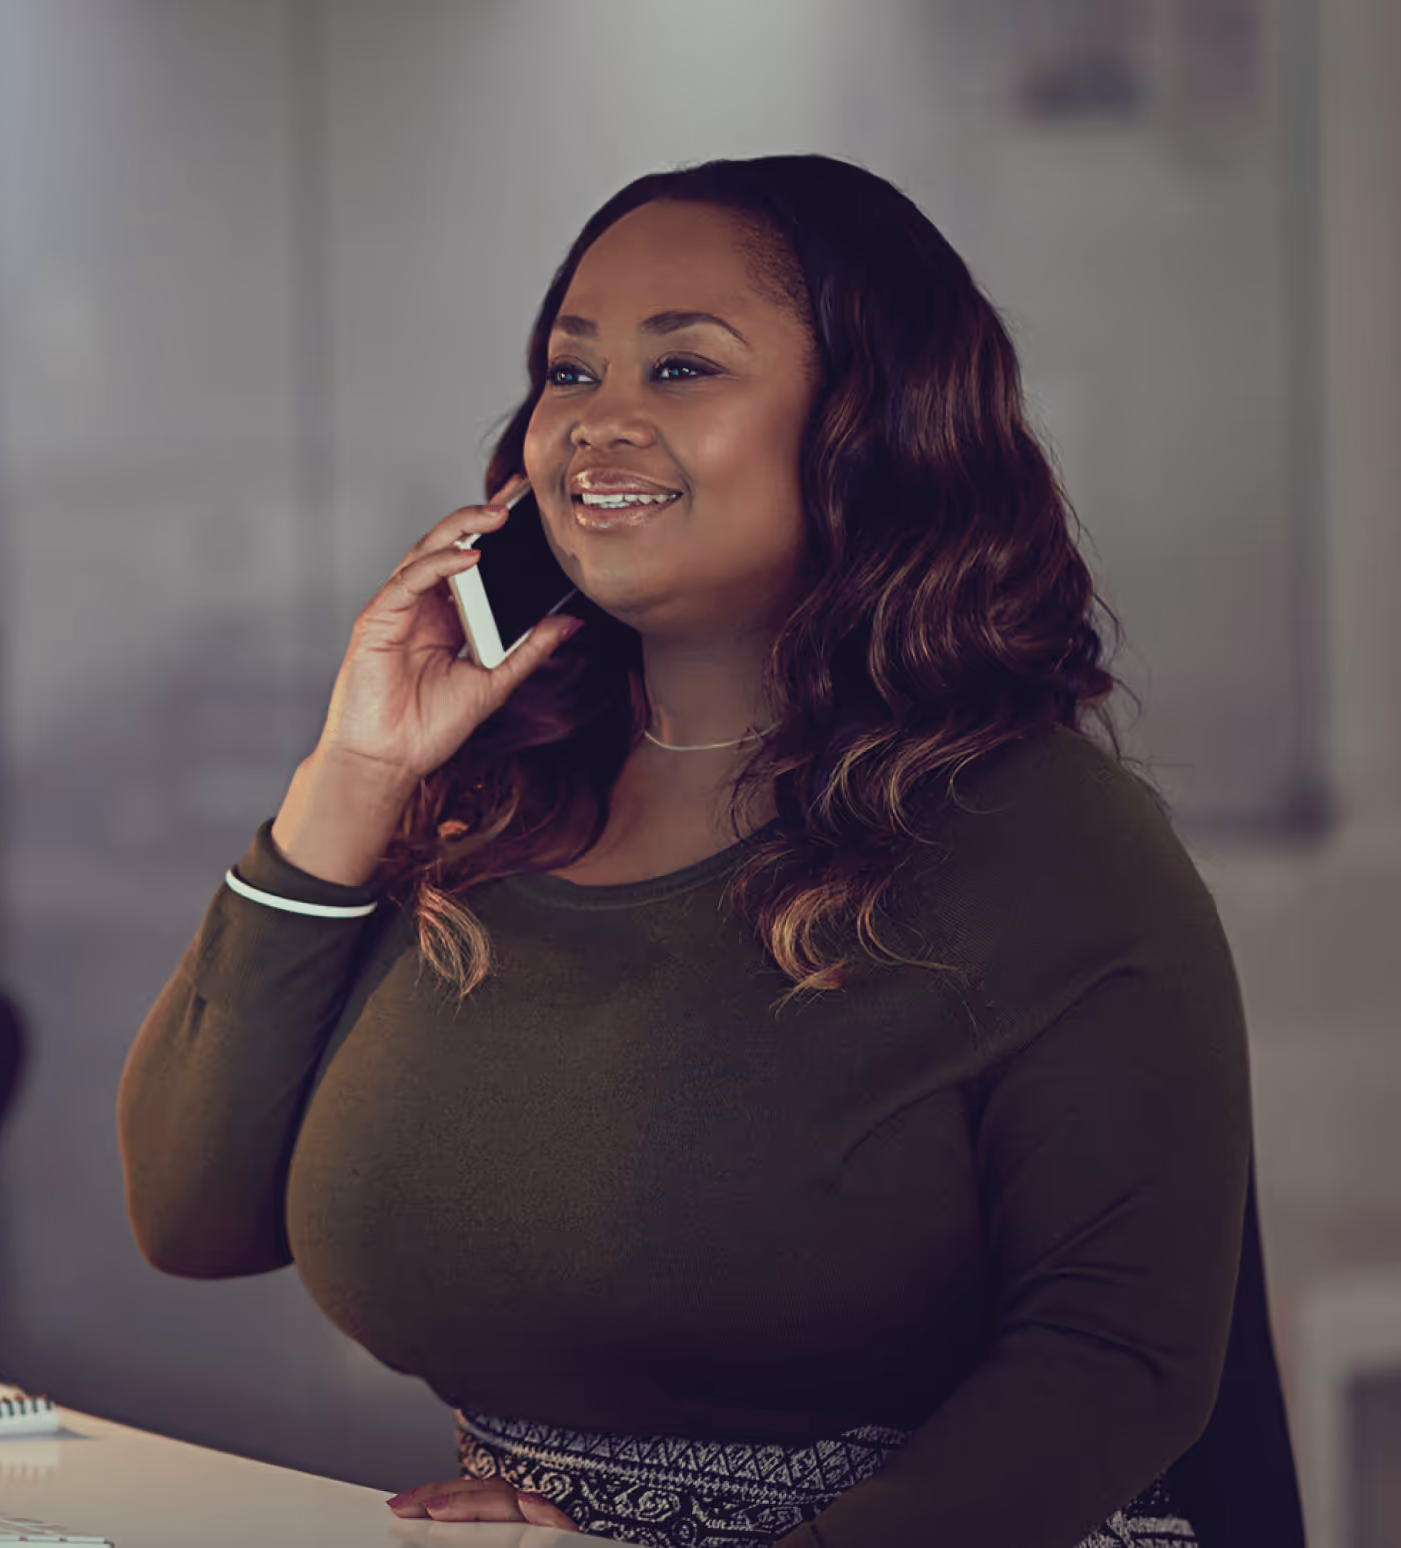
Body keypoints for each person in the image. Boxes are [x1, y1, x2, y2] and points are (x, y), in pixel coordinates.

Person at [117, 156, 1290, 1548]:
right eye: (568, 372)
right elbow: (193, 1214)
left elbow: (1115, 1368)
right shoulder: (491, 802)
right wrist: (353, 778)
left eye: (682, 371)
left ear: (871, 428)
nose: (596, 426)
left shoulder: (1040, 839)